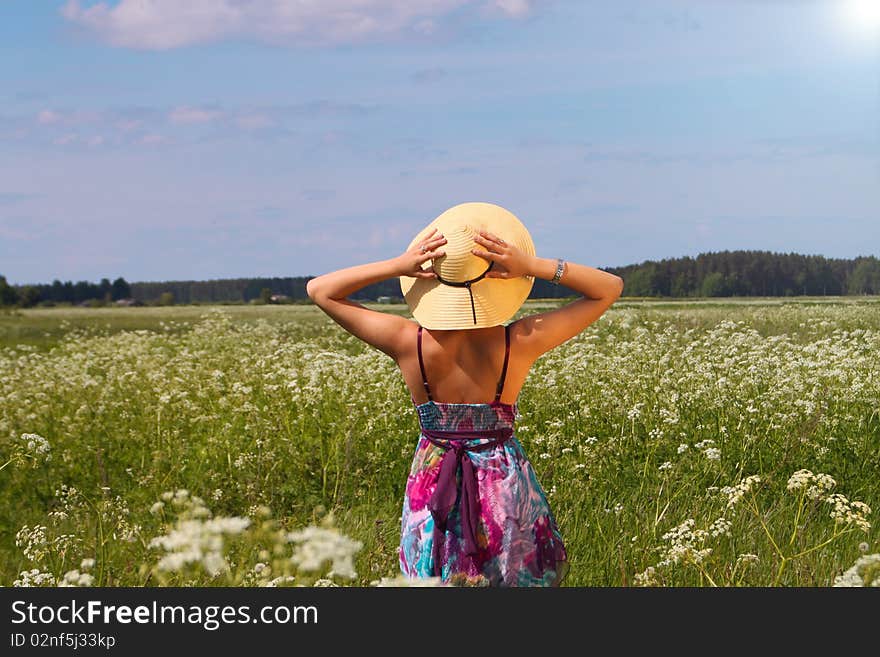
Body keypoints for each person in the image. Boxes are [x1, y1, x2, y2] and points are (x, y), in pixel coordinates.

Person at [306, 202, 624, 586]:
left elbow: (320, 290)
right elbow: (609, 288)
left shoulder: (408, 341)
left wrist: (398, 265)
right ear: (497, 281)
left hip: (433, 479)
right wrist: (532, 266)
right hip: (502, 484)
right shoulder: (517, 342)